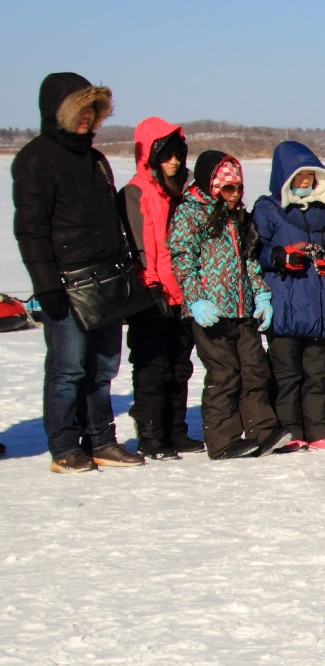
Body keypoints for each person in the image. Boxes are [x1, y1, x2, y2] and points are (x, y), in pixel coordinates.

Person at [12, 72, 144, 472]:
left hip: (108, 277)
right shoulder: (35, 159)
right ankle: (65, 446)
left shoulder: (95, 159)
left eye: (91, 110)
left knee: (103, 369)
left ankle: (101, 440)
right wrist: (46, 287)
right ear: (57, 112)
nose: (85, 118)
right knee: (68, 369)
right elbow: (31, 230)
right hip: (67, 283)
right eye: (78, 110)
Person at [168, 151, 287, 459]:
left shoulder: (238, 216)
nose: (234, 195)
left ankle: (262, 430)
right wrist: (195, 300)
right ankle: (223, 440)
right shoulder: (190, 212)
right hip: (212, 311)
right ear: (212, 186)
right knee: (225, 373)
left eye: (238, 188)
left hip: (242, 307)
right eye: (227, 188)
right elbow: (183, 258)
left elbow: (248, 260)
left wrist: (260, 294)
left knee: (254, 370)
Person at [252, 141, 325, 452]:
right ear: (285, 177)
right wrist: (280, 257)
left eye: (310, 175)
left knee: (316, 373)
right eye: (300, 175)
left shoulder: (321, 213)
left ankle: (320, 429)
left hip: (319, 305)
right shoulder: (267, 209)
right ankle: (289, 430)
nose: (306, 181)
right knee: (286, 373)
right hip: (285, 304)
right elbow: (255, 252)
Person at [121, 118, 203, 459]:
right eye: (166, 155)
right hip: (150, 293)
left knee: (180, 365)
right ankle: (151, 435)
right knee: (152, 367)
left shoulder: (186, 190)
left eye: (178, 154)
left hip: (184, 291)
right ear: (151, 156)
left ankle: (176, 430)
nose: (174, 161)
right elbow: (137, 245)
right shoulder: (135, 191)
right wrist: (150, 287)